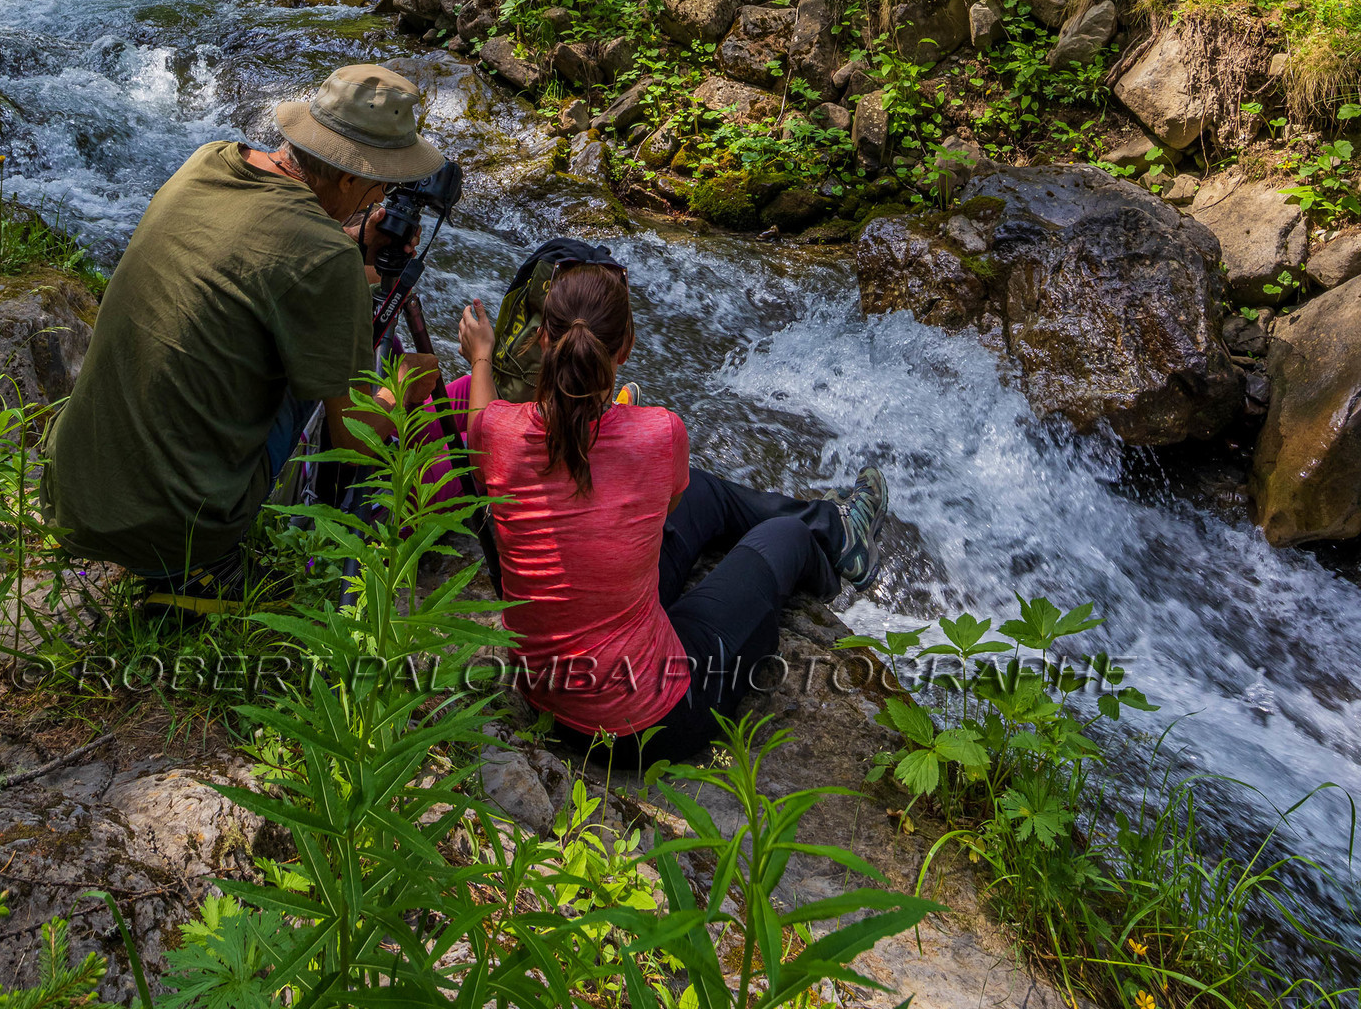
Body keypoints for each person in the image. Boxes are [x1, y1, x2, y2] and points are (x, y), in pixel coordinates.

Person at [458, 263, 888, 762]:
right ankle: (836, 545)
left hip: (544, 698)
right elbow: (669, 507)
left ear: (541, 339)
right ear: (627, 347)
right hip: (650, 720)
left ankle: (836, 529)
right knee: (784, 537)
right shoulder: (660, 433)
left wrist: (482, 357)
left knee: (702, 490)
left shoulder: (498, 435)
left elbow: (480, 423)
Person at [43, 63, 444, 592]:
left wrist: (348, 238)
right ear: (349, 175)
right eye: (378, 187)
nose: (380, 201)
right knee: (323, 377)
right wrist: (404, 387)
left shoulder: (210, 160)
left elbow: (262, 248)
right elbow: (358, 436)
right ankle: (217, 569)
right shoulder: (325, 259)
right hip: (174, 536)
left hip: (72, 494)